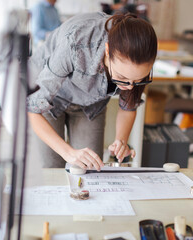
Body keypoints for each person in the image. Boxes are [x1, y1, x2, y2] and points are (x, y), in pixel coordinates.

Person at [27, 12, 157, 170]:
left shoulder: (139, 61)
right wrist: (68, 152)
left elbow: (128, 107)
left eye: (137, 81)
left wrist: (121, 140)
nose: (130, 87)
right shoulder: (76, 42)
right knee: (52, 168)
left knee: (91, 168)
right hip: (50, 98)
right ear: (107, 51)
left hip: (91, 105)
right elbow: (32, 109)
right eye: (122, 77)